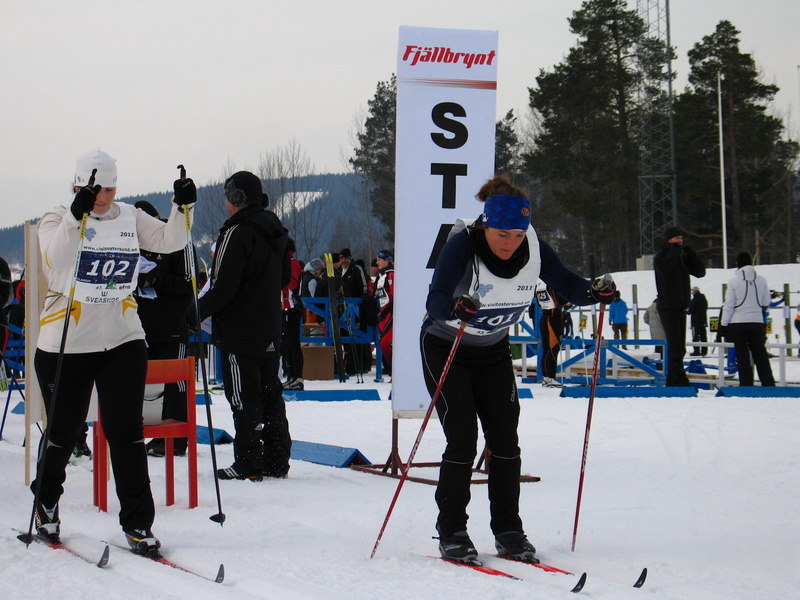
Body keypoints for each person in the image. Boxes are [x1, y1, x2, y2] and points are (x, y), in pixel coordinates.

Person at [421, 175, 616, 564]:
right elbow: (435, 299)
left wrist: (594, 292)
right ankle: (452, 530)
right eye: (502, 234)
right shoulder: (463, 244)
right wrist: (456, 308)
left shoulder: (533, 246)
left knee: (505, 441)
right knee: (462, 438)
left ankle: (509, 531)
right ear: (486, 224)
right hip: (446, 347)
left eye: (518, 234)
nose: (510, 243)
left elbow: (568, 284)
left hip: (492, 351)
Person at [31, 148, 195, 555]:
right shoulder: (56, 218)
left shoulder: (129, 216)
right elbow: (54, 259)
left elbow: (171, 241)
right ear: (79, 186)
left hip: (122, 339)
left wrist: (182, 207)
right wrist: (77, 215)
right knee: (63, 431)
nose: (105, 197)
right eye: (98, 189)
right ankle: (46, 503)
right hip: (67, 343)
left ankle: (138, 523)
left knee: (126, 432)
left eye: (111, 189)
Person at [195, 171, 292, 480]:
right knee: (270, 392)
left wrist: (193, 312)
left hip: (239, 329)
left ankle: (249, 461)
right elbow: (285, 278)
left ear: (236, 198)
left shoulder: (236, 232)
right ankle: (276, 459)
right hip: (270, 325)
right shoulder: (277, 231)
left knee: (243, 396)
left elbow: (222, 287)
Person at [133, 200, 194, 457]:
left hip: (171, 327)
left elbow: (189, 284)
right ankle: (151, 434)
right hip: (140, 328)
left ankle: (177, 440)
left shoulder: (176, 242)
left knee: (175, 383)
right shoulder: (131, 244)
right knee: (145, 384)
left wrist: (155, 277)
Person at [653, 226, 706, 386]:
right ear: (669, 240)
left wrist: (692, 255)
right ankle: (676, 379)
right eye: (677, 238)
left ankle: (676, 378)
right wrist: (675, 251)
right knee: (675, 346)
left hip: (681, 306)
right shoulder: (661, 257)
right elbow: (666, 270)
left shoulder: (681, 257)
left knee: (680, 347)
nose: (680, 241)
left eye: (681, 238)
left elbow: (700, 272)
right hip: (667, 306)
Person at [720, 252, 775, 386]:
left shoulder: (733, 282)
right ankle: (768, 383)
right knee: (760, 354)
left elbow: (729, 305)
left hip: (738, 323)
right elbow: (766, 302)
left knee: (742, 355)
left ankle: (746, 384)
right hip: (757, 322)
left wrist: (724, 324)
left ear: (738, 263)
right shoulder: (762, 280)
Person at [337, 247, 370, 376]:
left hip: (356, 309)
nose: (344, 261)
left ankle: (362, 365)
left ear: (350, 259)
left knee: (358, 337)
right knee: (346, 337)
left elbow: (364, 288)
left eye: (346, 258)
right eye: (342, 258)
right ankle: (351, 365)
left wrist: (361, 304)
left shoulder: (356, 269)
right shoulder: (338, 271)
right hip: (343, 310)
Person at [281, 238, 304, 391]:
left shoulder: (292, 263)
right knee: (286, 344)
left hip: (291, 307)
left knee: (292, 344)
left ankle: (297, 377)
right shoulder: (285, 263)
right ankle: (291, 376)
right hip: (284, 307)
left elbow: (292, 284)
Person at [533, 283, 566, 387]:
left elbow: (539, 303)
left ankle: (546, 378)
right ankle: (550, 378)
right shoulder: (553, 286)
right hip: (553, 319)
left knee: (547, 350)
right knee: (553, 349)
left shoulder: (540, 286)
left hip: (546, 317)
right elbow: (562, 300)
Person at [373, 250, 394, 375]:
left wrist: (386, 311)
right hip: (383, 314)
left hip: (389, 313)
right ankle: (391, 370)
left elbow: (394, 295)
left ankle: (394, 370)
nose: (377, 262)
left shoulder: (391, 274)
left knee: (385, 343)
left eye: (379, 260)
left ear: (387, 260)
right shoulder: (381, 276)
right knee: (383, 343)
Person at [687, 286, 709, 356]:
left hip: (695, 322)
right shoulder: (704, 299)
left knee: (695, 336)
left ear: (694, 291)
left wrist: (686, 311)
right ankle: (704, 351)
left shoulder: (694, 299)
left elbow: (690, 311)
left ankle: (696, 351)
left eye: (692, 291)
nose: (692, 292)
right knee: (703, 336)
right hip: (703, 321)